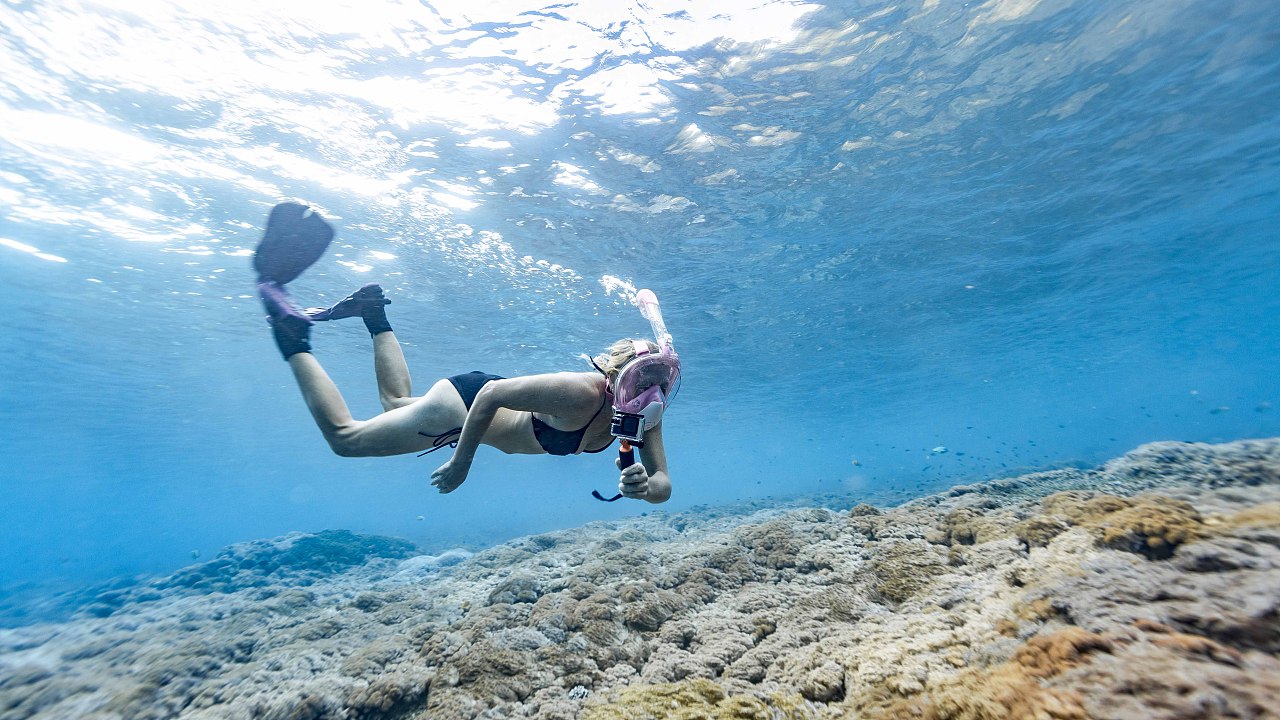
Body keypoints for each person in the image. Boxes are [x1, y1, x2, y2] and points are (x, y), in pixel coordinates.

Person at [254, 204, 675, 503]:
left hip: (472, 407)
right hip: (470, 404)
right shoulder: (580, 391)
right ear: (616, 374)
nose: (651, 392)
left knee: (395, 404)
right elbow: (492, 394)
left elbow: (663, 485)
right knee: (346, 440)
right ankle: (295, 339)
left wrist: (644, 488)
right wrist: (461, 462)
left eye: (661, 383)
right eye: (644, 378)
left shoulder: (642, 417)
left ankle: (373, 311)